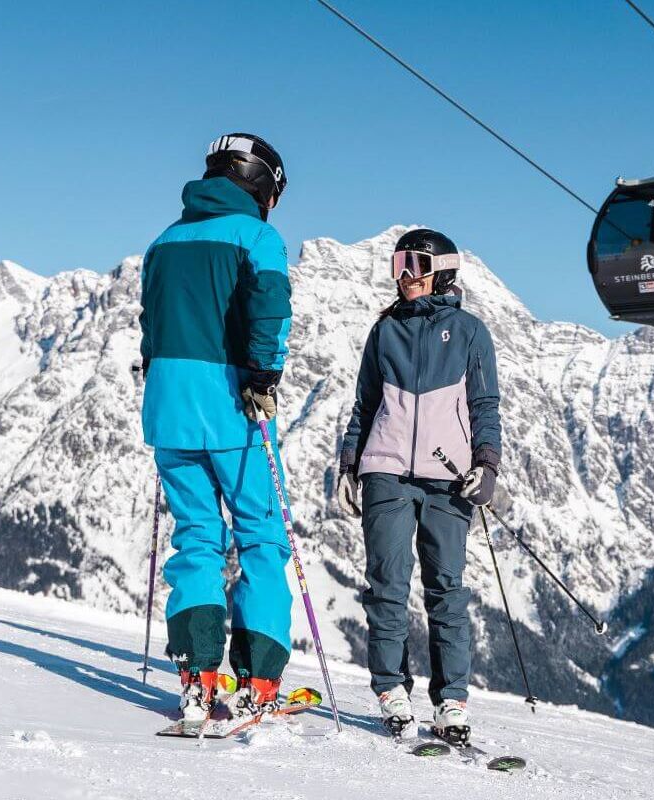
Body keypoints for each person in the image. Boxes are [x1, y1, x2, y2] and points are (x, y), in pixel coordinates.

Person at [138, 132, 293, 723]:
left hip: (168, 408)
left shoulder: (164, 241)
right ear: (260, 183)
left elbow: (150, 327)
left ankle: (198, 673)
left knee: (197, 536)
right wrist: (263, 376)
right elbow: (270, 308)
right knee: (260, 534)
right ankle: (259, 677)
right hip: (232, 406)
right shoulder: (257, 236)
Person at [334, 228, 502, 744]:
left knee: (445, 588)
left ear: (443, 270)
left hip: (447, 476)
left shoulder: (471, 332)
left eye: (416, 264)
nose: (405, 275)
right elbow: (364, 405)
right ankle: (391, 689)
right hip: (385, 469)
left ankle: (451, 699)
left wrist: (486, 464)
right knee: (386, 584)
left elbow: (484, 407)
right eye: (398, 264)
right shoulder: (384, 332)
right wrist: (349, 463)